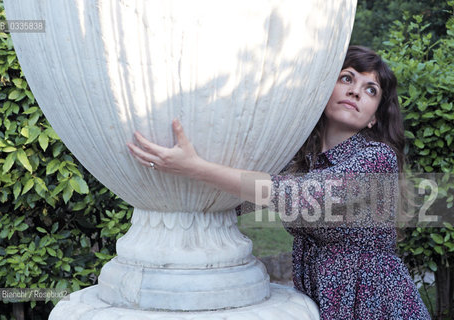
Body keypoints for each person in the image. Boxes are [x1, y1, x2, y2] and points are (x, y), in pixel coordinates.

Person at [127, 46, 431, 319]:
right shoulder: (301, 161)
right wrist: (171, 184)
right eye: (347, 78)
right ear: (325, 89)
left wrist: (196, 167)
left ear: (373, 119)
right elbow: (235, 202)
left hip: (375, 301)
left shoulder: (377, 159)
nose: (355, 92)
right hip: (320, 297)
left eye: (370, 90)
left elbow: (300, 197)